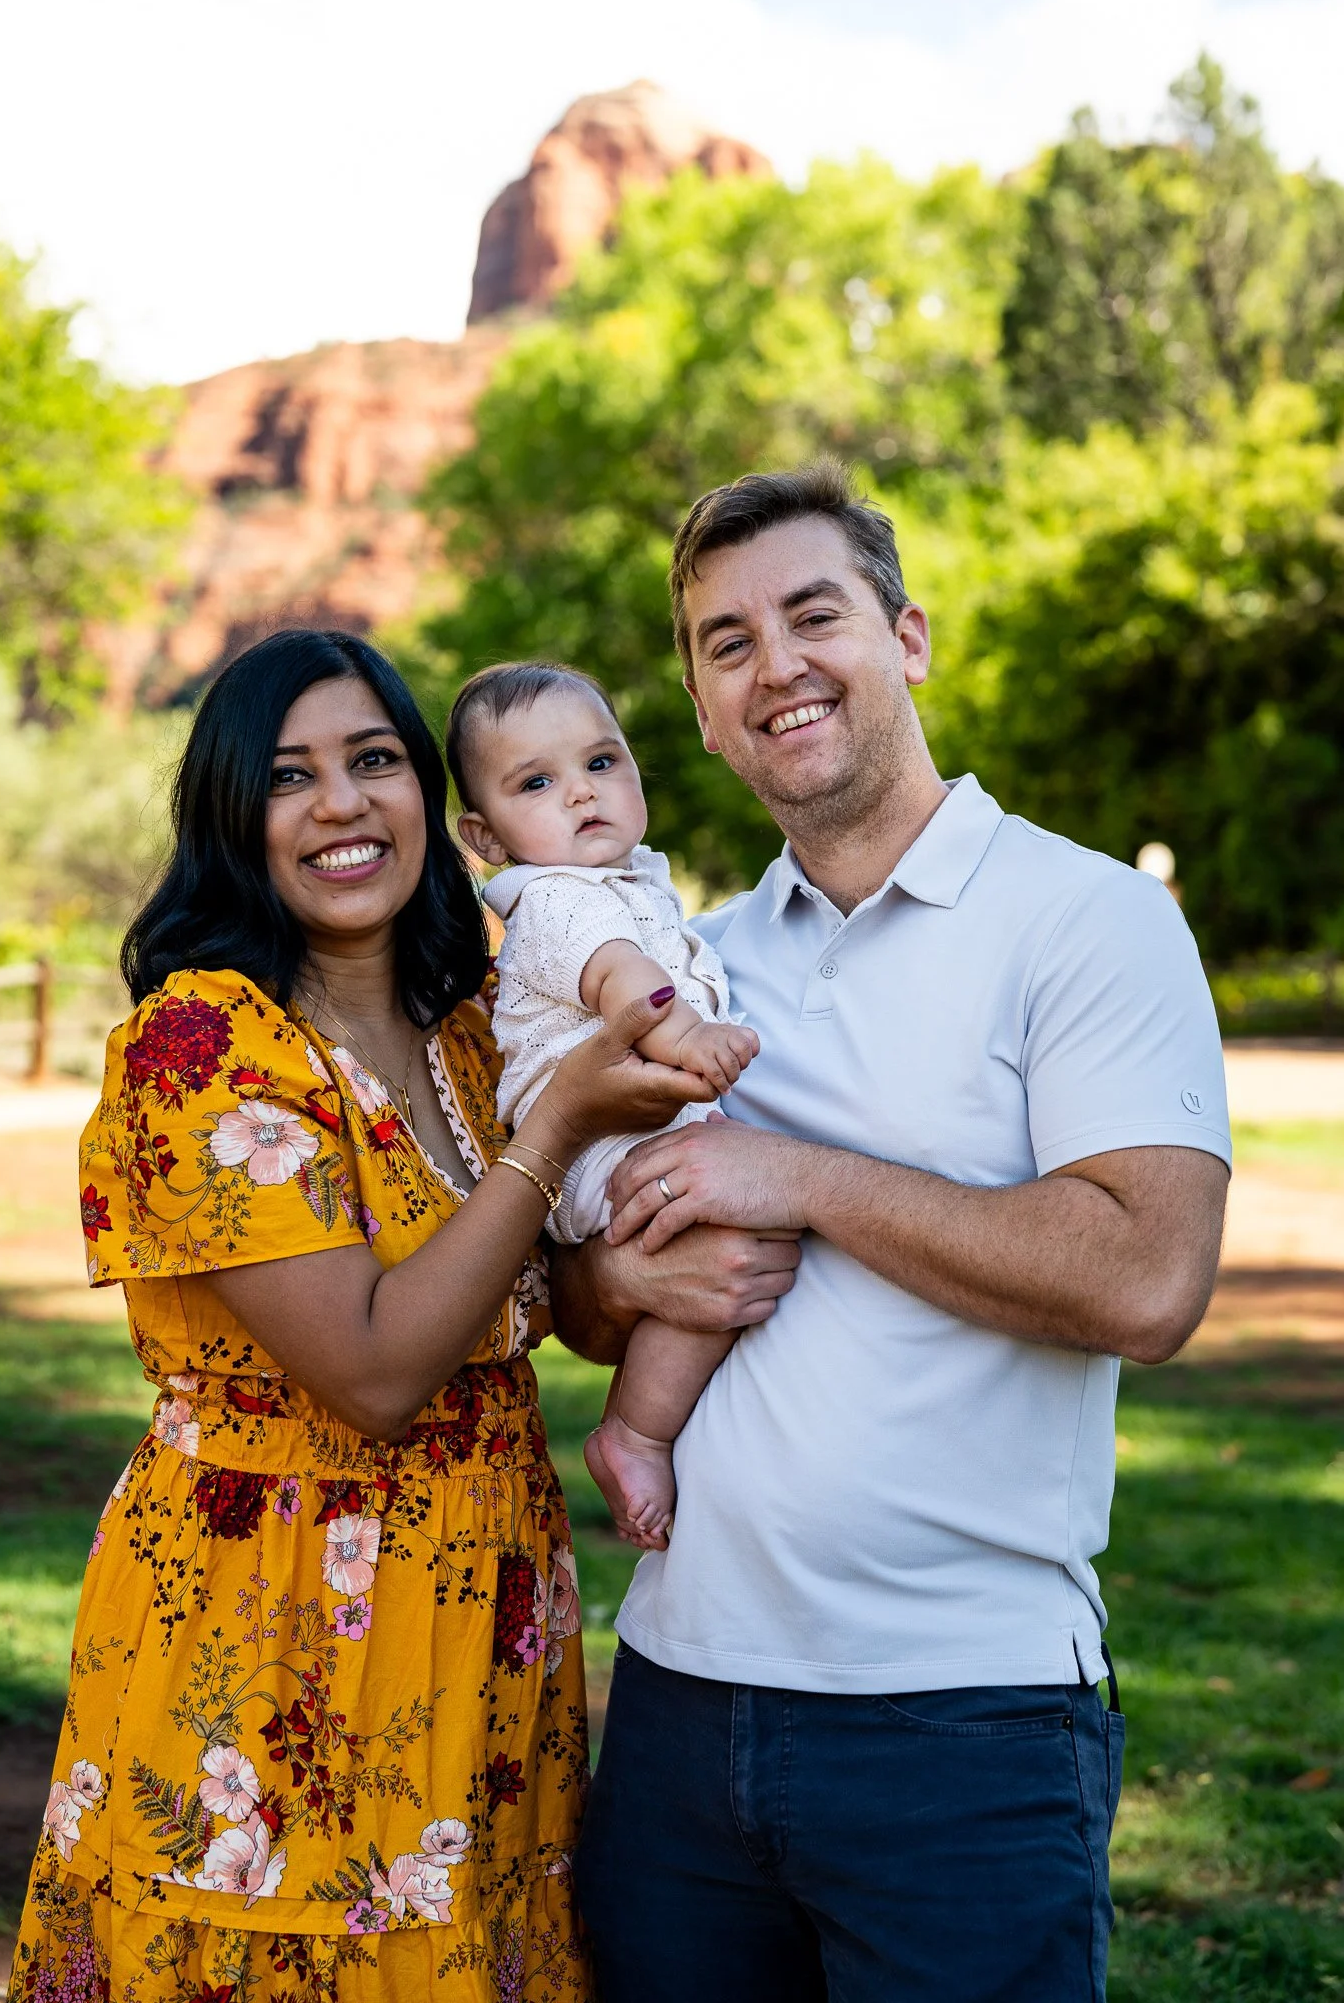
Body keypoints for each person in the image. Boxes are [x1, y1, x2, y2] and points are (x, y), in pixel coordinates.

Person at [555, 462, 1233, 2003]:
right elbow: (588, 1299)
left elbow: (1145, 1279)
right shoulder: (690, 968)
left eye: (812, 615)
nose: (773, 665)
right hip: (675, 1703)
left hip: (964, 1723)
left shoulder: (1087, 920)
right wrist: (616, 1274)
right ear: (701, 710)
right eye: (725, 645)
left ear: (905, 636)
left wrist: (797, 1179)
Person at [8, 630, 715, 2003]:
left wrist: (633, 1281)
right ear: (230, 815)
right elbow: (379, 1370)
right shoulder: (202, 1046)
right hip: (270, 1634)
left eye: (372, 760)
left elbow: (512, 1301)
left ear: (430, 801)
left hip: (480, 1618)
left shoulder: (467, 1031)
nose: (341, 802)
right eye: (289, 776)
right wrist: (562, 1125)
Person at [446, 660, 759, 1550]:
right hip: (593, 1144)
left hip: (634, 1130)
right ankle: (634, 1433)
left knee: (731, 1235)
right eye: (537, 783)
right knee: (730, 1225)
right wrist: (691, 1037)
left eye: (601, 763)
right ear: (486, 834)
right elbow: (628, 985)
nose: (582, 794)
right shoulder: (553, 903)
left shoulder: (626, 886)